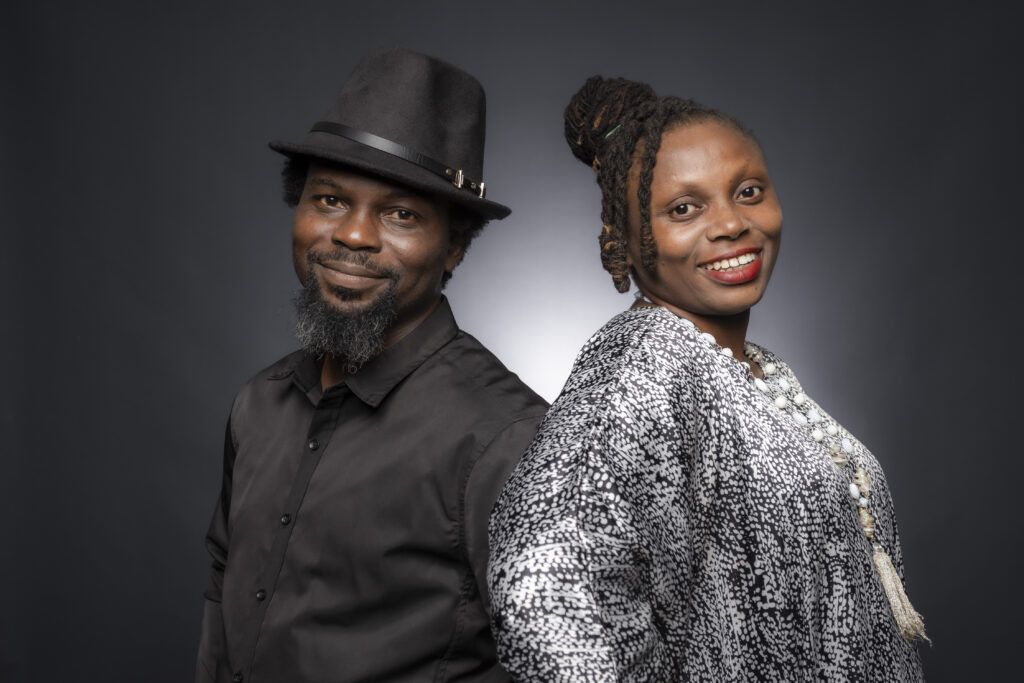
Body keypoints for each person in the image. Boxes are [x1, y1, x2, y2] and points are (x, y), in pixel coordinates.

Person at [488, 76, 927, 680]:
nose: (731, 224)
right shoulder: (643, 366)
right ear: (624, 243)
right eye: (683, 209)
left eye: (747, 192)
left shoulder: (748, 366)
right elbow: (542, 589)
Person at [195, 48, 548, 683]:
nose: (354, 235)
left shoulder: (510, 441)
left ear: (455, 247)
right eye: (330, 200)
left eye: (400, 213)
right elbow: (225, 588)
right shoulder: (259, 404)